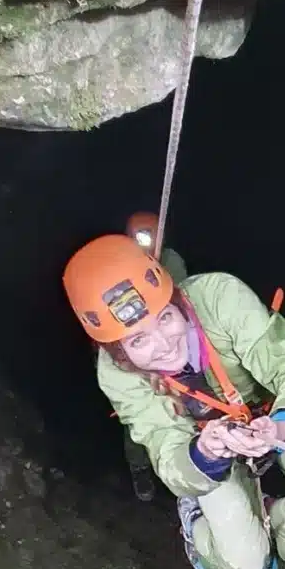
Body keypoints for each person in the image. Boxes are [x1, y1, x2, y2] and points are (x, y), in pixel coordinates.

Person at [63, 233, 285, 569]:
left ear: (175, 298)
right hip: (202, 442)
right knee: (245, 564)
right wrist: (204, 454)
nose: (164, 343)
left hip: (284, 414)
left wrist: (282, 425)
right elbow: (165, 447)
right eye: (138, 341)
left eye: (165, 317)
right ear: (118, 352)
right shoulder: (116, 374)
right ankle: (201, 528)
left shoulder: (219, 298)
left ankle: (265, 513)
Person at [119, 212, 188, 502]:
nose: (146, 241)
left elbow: (183, 297)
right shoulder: (119, 265)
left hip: (170, 347)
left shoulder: (170, 260)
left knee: (182, 404)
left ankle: (190, 467)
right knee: (138, 415)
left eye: (151, 235)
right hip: (135, 352)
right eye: (141, 236)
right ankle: (140, 468)